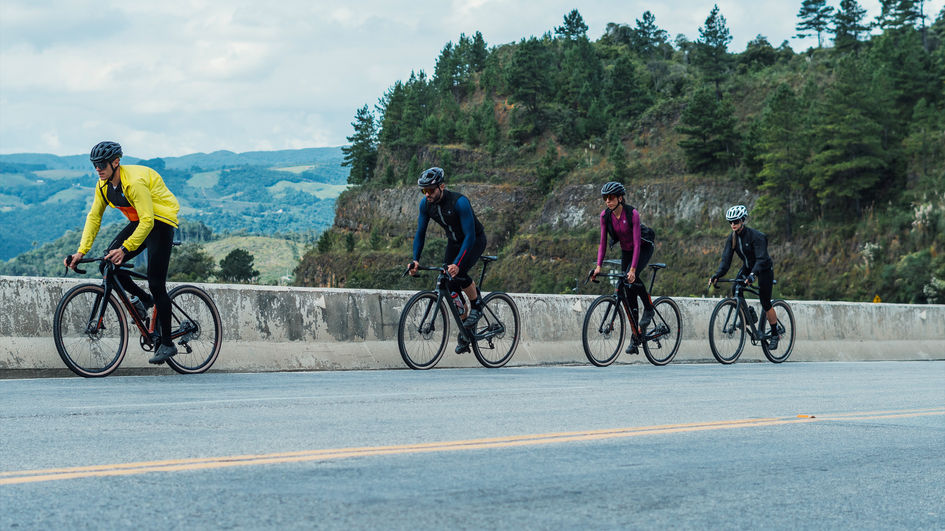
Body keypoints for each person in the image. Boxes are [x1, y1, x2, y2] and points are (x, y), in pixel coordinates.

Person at [64, 141, 181, 364]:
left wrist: (125, 248)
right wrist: (81, 251)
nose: (97, 168)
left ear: (115, 162)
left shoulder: (134, 182)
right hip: (141, 221)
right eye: (94, 165)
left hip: (161, 221)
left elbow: (148, 221)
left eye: (101, 164)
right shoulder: (103, 186)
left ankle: (167, 343)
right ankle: (144, 300)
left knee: (157, 284)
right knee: (107, 264)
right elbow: (94, 217)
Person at [407, 167, 487, 354]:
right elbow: (420, 233)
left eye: (430, 190)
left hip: (473, 240)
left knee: (459, 274)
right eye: (423, 190)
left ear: (442, 186)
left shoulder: (460, 202)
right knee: (448, 283)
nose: (427, 194)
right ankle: (466, 329)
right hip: (453, 242)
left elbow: (470, 236)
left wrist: (457, 264)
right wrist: (415, 260)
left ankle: (477, 306)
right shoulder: (425, 205)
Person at [590, 181, 655, 354]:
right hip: (626, 251)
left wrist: (633, 270)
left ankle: (649, 309)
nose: (607, 201)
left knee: (632, 277)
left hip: (642, 247)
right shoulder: (605, 216)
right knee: (627, 289)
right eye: (605, 198)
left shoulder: (632, 213)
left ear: (620, 198)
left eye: (611, 198)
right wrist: (598, 266)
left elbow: (636, 243)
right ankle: (636, 338)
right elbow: (603, 243)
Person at [708, 205, 782, 349]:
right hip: (748, 267)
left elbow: (761, 259)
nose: (733, 225)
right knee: (736, 287)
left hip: (764, 268)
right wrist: (717, 275)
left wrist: (753, 276)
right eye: (730, 222)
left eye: (735, 221)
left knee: (765, 301)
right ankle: (750, 315)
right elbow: (726, 260)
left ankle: (774, 333)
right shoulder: (733, 238)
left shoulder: (757, 236)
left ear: (742, 220)